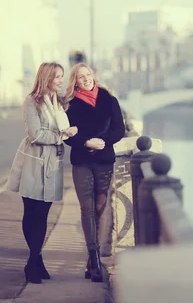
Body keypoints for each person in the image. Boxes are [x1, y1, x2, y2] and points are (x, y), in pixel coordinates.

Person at [5, 62, 78, 284]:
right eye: (57, 76)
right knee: (32, 211)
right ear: (46, 77)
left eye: (62, 76)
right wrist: (61, 135)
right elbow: (35, 134)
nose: (60, 80)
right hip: (34, 163)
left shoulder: (60, 102)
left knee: (43, 214)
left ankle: (35, 261)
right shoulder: (32, 102)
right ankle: (34, 262)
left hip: (53, 163)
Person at [63, 63, 125, 283]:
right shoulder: (70, 105)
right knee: (87, 208)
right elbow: (66, 134)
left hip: (104, 160)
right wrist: (86, 142)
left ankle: (92, 260)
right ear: (75, 81)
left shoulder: (109, 100)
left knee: (99, 208)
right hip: (82, 161)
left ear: (93, 77)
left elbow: (120, 129)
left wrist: (102, 142)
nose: (86, 79)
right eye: (81, 77)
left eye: (88, 75)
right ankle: (94, 259)